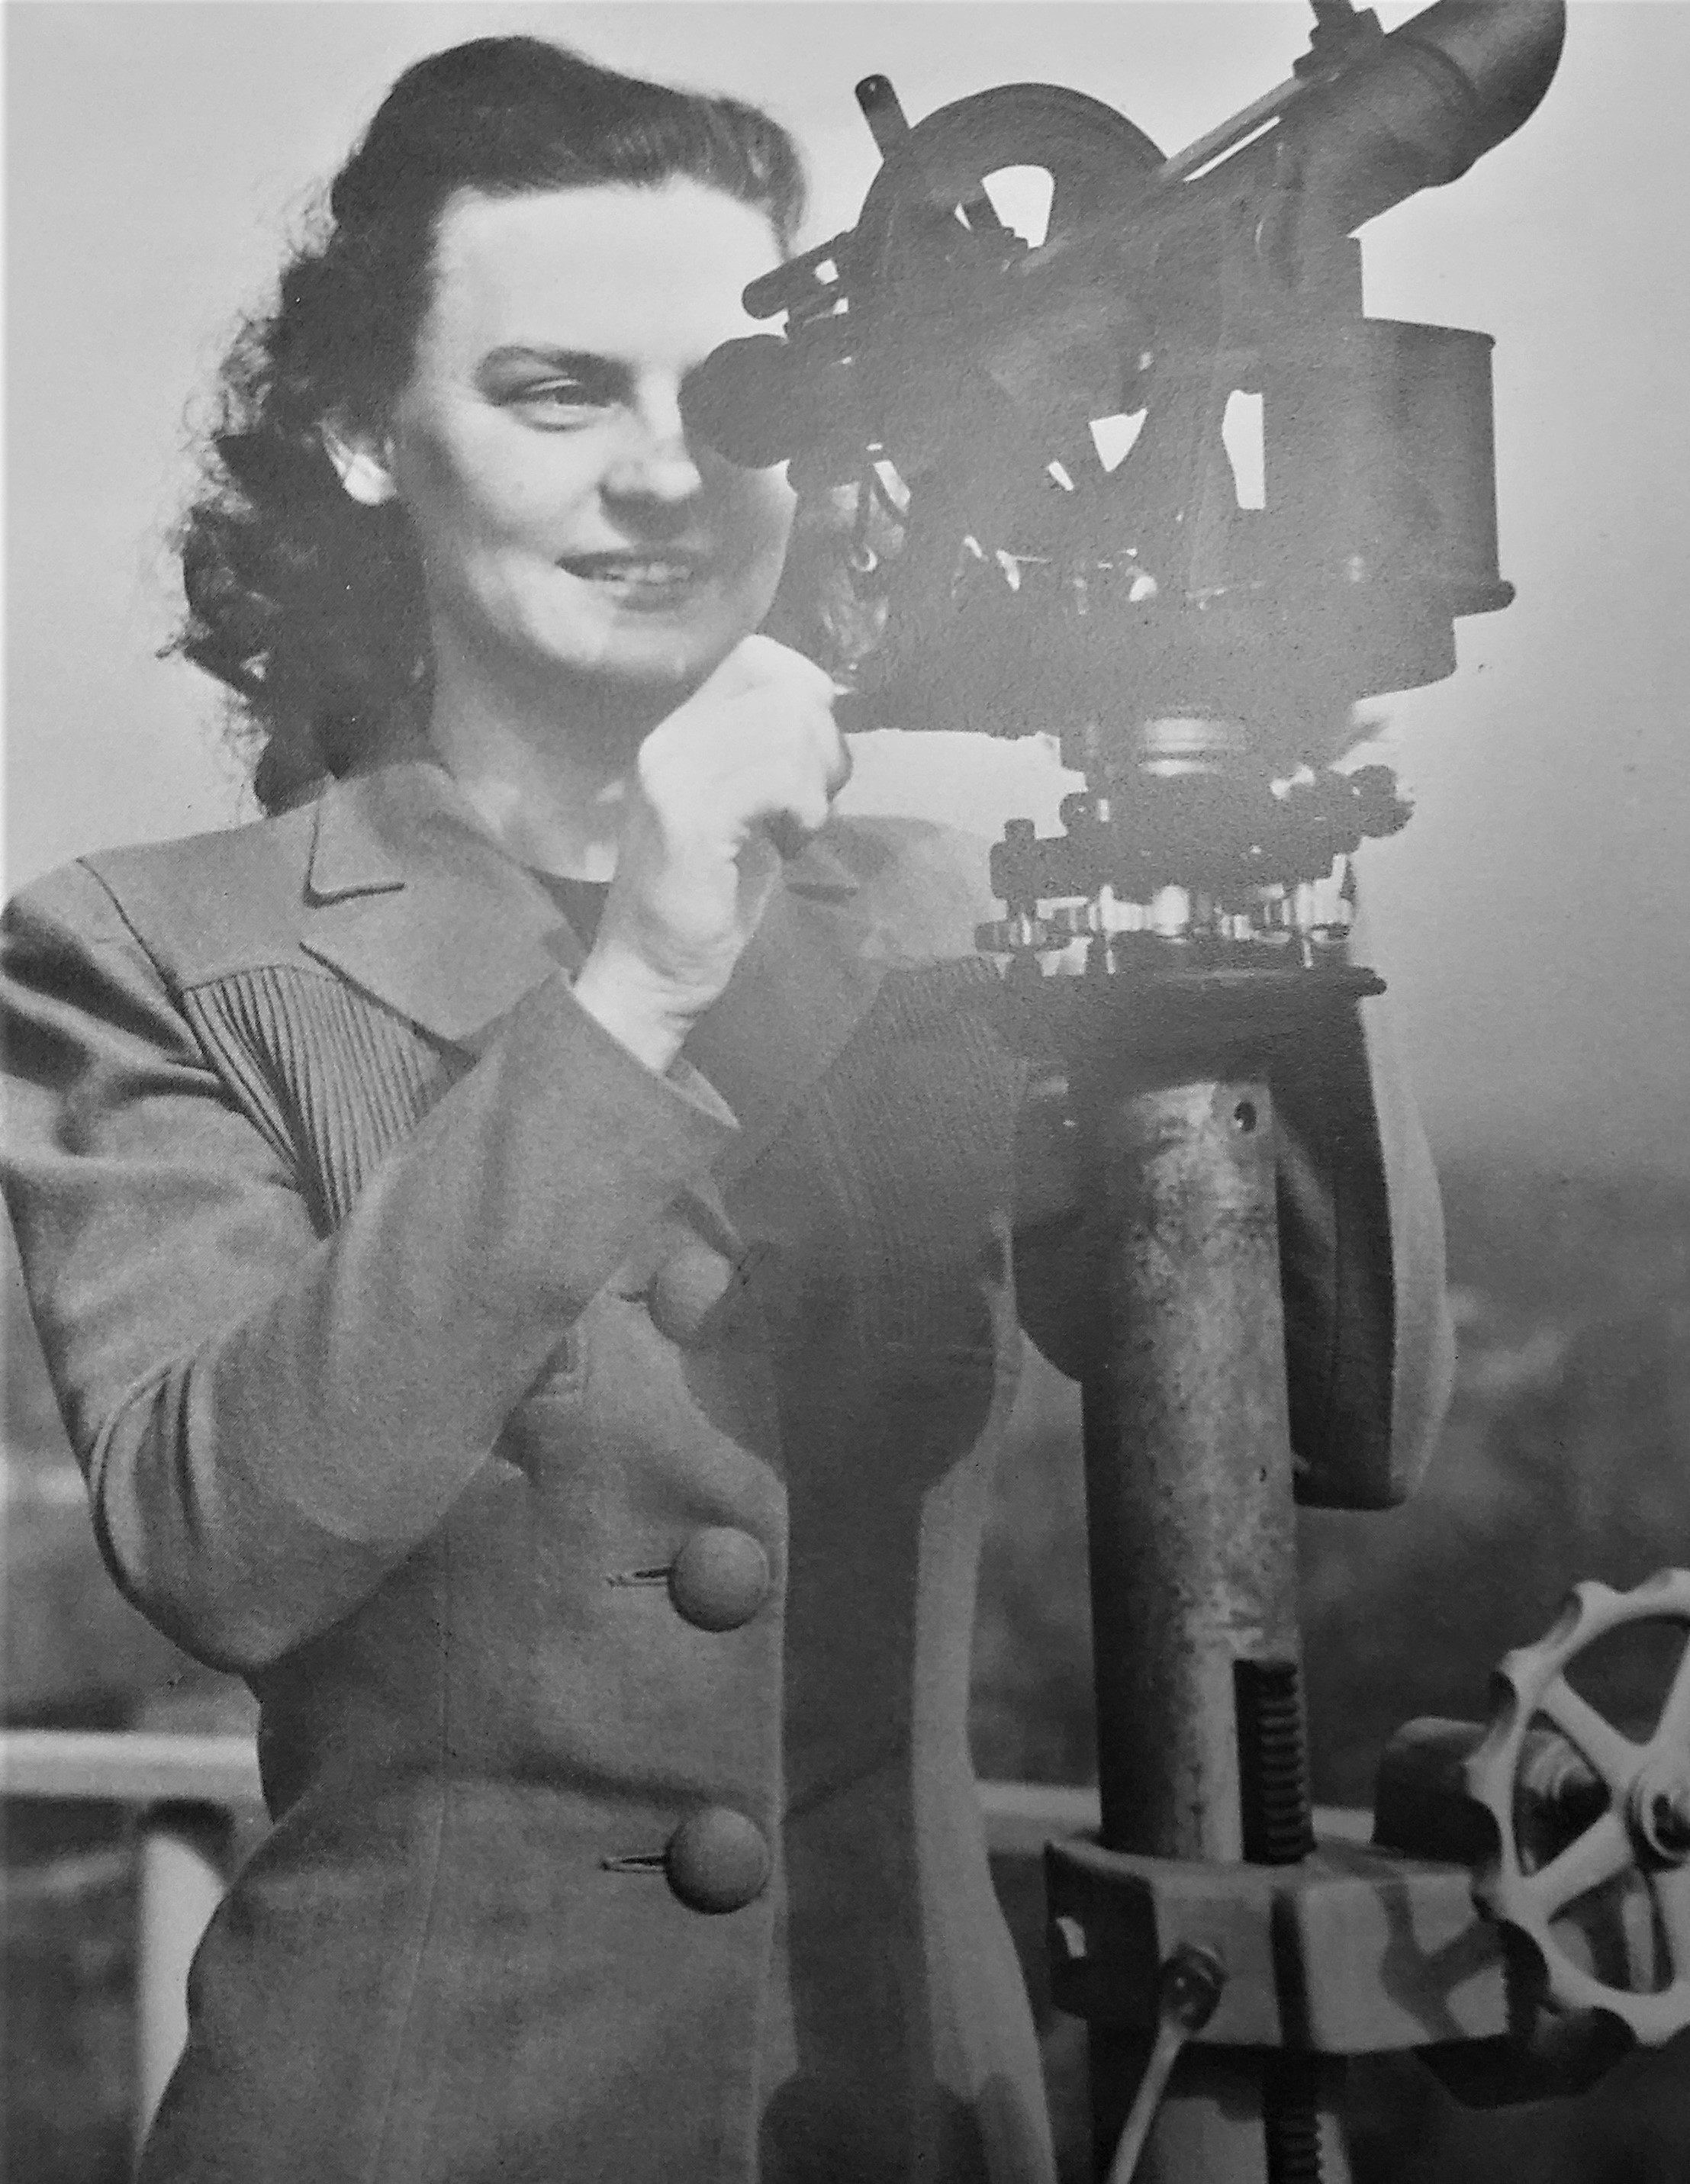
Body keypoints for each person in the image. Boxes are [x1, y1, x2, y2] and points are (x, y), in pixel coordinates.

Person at [1, 35, 1453, 2184]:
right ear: (363, 432)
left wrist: (1239, 845)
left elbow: (1355, 1416)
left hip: (905, 2115)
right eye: (556, 391)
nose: (668, 478)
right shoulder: (153, 950)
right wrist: (639, 982)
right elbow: (228, 1542)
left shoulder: (941, 935)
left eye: (739, 396)